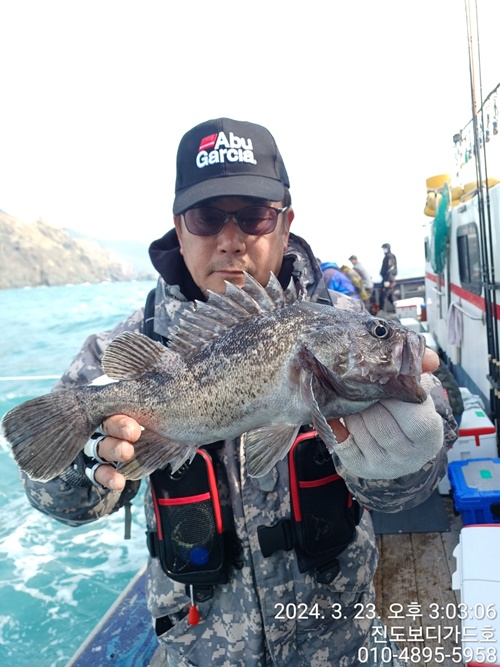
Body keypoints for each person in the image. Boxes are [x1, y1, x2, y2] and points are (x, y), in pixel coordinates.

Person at [20, 117, 457, 666]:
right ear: (179, 228)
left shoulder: (345, 320)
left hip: (341, 644)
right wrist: (87, 460)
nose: (231, 240)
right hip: (198, 652)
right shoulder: (122, 350)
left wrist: (409, 459)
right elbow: (59, 499)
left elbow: (410, 493)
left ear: (285, 223)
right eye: (207, 217)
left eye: (253, 216)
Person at [379, 243, 398, 312]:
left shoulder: (390, 257)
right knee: (391, 297)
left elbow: (389, 269)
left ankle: (382, 313)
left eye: (385, 248)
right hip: (388, 279)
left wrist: (387, 281)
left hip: (389, 280)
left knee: (382, 297)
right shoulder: (387, 257)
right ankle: (398, 309)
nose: (384, 250)